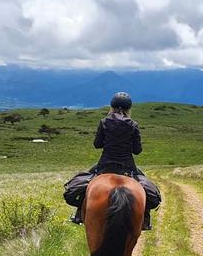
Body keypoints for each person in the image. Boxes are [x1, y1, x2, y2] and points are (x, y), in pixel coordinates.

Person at [64, 92, 161, 230]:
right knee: (145, 189)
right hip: (128, 167)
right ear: (129, 108)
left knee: (86, 184)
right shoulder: (133, 124)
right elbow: (137, 150)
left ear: (112, 106)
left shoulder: (104, 122)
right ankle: (145, 219)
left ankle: (79, 213)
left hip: (104, 165)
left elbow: (97, 144)